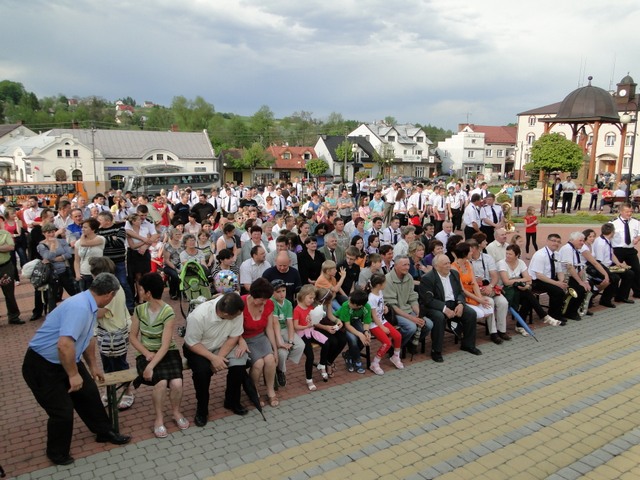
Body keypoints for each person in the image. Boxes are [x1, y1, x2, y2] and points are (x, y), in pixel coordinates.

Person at [22, 273, 131, 466]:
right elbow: (64, 345)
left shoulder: (90, 305)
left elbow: (86, 339)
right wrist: (73, 375)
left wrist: (93, 367)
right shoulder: (80, 307)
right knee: (62, 411)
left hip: (66, 359)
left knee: (89, 394)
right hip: (42, 366)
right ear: (109, 294)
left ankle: (104, 432)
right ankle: (57, 453)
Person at [129, 273, 188, 437]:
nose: (139, 292)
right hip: (146, 353)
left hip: (167, 352)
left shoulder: (168, 312)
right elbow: (132, 337)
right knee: (161, 383)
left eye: (141, 289)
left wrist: (151, 366)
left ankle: (176, 412)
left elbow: (165, 345)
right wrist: (147, 354)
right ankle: (159, 418)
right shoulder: (139, 310)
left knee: (177, 383)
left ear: (148, 293)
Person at [182, 292, 250, 426]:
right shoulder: (198, 316)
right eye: (235, 316)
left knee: (239, 365)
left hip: (222, 345)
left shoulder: (237, 310)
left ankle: (232, 401)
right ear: (225, 314)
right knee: (202, 372)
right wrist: (212, 358)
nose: (239, 316)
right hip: (199, 348)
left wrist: (219, 358)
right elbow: (192, 344)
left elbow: (234, 337)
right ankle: (202, 409)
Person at [418, 254, 481, 363]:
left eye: (449, 263)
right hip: (436, 305)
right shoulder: (427, 278)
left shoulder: (454, 274)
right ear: (436, 266)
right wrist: (444, 309)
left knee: (471, 313)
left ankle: (468, 345)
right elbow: (428, 300)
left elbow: (460, 292)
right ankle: (436, 351)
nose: (448, 266)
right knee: (439, 318)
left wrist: (460, 304)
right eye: (445, 264)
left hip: (454, 303)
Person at [498, 244, 561, 334]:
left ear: (516, 255)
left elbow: (529, 279)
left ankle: (520, 326)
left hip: (517, 288)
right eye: (507, 253)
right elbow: (506, 282)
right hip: (506, 290)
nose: (507, 256)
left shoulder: (521, 262)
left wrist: (525, 285)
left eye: (510, 254)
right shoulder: (502, 263)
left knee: (527, 298)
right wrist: (521, 280)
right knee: (529, 297)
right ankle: (543, 317)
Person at [293, 285, 344, 389]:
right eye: (310, 298)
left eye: (313, 298)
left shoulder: (311, 307)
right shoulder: (298, 309)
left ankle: (322, 364)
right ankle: (309, 379)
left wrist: (337, 321)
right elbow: (296, 326)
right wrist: (308, 326)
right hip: (303, 333)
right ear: (303, 296)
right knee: (310, 356)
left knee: (327, 343)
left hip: (311, 331)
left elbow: (316, 321)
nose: (312, 300)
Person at [241, 278, 279, 407]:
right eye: (262, 299)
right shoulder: (242, 303)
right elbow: (235, 329)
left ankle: (270, 390)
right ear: (253, 295)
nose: (264, 302)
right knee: (258, 363)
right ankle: (254, 391)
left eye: (266, 299)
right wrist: (241, 341)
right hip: (244, 338)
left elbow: (269, 328)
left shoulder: (268, 304)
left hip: (260, 337)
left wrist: (274, 349)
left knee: (270, 359)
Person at [383, 255, 432, 353]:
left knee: (429, 324)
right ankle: (395, 347)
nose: (407, 267)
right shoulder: (387, 279)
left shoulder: (409, 277)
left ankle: (410, 342)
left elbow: (412, 298)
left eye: (408, 264)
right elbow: (392, 306)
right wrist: (412, 318)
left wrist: (419, 314)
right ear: (396, 266)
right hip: (394, 313)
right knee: (411, 327)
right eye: (404, 265)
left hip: (408, 310)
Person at [365, 273, 404, 374]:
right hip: (374, 324)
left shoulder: (380, 292)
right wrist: (382, 327)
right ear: (379, 285)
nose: (386, 284)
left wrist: (384, 307)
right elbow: (373, 316)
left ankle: (395, 357)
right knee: (387, 343)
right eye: (384, 283)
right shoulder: (371, 298)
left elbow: (380, 304)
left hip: (382, 320)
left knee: (398, 336)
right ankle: (375, 363)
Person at [270, 279, 304, 388]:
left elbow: (289, 322)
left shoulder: (288, 303)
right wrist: (280, 342)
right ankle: (280, 370)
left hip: (284, 329)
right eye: (278, 291)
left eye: (283, 291)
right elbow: (275, 323)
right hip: (273, 331)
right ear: (272, 292)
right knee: (282, 353)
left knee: (300, 345)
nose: (282, 294)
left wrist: (290, 340)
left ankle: (281, 362)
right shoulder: (271, 302)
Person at [38, 223, 78, 312]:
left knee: (73, 291)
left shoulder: (62, 241)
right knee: (52, 296)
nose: (51, 234)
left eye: (53, 232)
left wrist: (56, 258)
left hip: (64, 271)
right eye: (48, 232)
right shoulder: (41, 246)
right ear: (44, 233)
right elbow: (48, 256)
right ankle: (52, 314)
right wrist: (52, 247)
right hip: (52, 274)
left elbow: (69, 254)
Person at [528, 233, 568, 324]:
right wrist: (557, 284)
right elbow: (539, 275)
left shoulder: (557, 254)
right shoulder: (540, 255)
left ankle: (557, 313)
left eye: (558, 242)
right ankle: (554, 316)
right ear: (547, 241)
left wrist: (562, 282)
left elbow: (559, 271)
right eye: (553, 241)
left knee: (561, 289)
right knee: (557, 291)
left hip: (549, 279)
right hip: (536, 281)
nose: (556, 243)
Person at [335, 289, 372, 375]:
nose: (349, 303)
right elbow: (347, 325)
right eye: (349, 300)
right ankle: (357, 361)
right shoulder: (346, 306)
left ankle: (349, 355)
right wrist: (359, 334)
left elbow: (366, 322)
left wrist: (366, 331)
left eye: (351, 302)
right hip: (342, 323)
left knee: (365, 338)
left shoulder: (367, 307)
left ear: (359, 305)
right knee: (353, 339)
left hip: (354, 321)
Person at [610, 204, 640, 299]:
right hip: (617, 250)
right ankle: (614, 292)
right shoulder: (613, 223)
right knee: (615, 270)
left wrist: (637, 238)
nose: (629, 213)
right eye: (627, 212)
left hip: (630, 249)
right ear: (621, 211)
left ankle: (637, 291)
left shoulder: (636, 222)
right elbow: (608, 237)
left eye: (631, 211)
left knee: (636, 270)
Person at [0, 220, 22, 324]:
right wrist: (2, 247)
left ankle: (14, 316)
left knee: (9, 293)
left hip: (5, 266)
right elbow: (6, 247)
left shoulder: (5, 234)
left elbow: (11, 247)